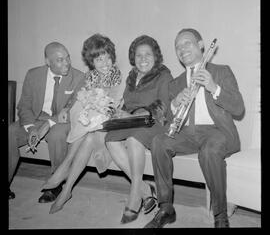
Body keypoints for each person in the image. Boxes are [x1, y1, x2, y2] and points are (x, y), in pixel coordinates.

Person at [143, 28, 245, 228]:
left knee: (209, 151)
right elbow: (168, 121)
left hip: (217, 133)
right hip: (186, 134)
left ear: (201, 45)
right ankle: (165, 207)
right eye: (178, 47)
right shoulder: (176, 83)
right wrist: (175, 104)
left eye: (187, 43)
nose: (182, 49)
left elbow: (239, 108)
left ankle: (220, 215)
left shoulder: (221, 71)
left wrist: (214, 87)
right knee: (159, 142)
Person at [41, 34, 123, 214]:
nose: (105, 63)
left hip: (107, 126)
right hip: (88, 128)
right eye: (99, 59)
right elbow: (77, 100)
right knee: (84, 131)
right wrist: (78, 106)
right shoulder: (89, 76)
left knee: (87, 125)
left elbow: (113, 106)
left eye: (108, 57)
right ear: (91, 61)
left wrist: (94, 105)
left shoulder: (117, 76)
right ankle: (67, 190)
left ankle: (64, 169)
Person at [105, 35, 174, 224]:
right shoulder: (132, 75)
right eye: (138, 55)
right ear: (133, 58)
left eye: (147, 54)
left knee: (134, 139)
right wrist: (119, 113)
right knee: (110, 139)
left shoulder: (164, 75)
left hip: (155, 122)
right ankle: (146, 190)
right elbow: (128, 103)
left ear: (156, 56)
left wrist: (133, 116)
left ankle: (135, 197)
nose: (143, 59)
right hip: (133, 121)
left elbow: (162, 108)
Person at [8, 42, 84, 202]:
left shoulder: (78, 77)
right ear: (48, 62)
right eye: (60, 60)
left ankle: (55, 185)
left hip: (60, 122)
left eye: (68, 57)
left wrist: (48, 124)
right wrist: (31, 129)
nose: (67, 63)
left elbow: (70, 111)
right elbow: (24, 105)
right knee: (10, 132)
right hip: (34, 120)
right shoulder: (33, 75)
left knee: (56, 135)